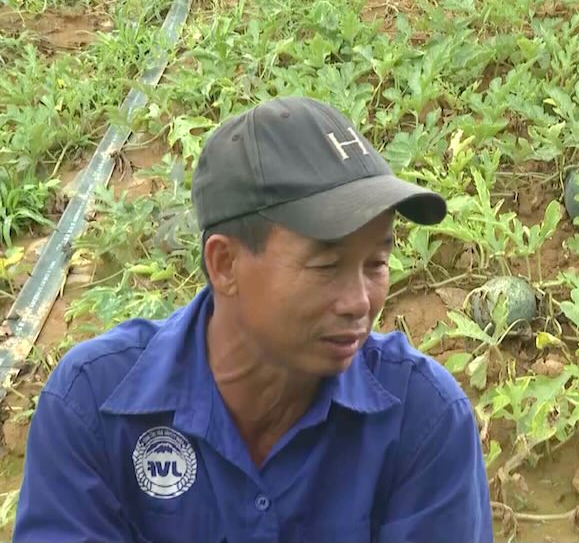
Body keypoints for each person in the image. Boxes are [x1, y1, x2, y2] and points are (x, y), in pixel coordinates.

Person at [12, 96, 495, 543]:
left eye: (376, 264)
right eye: (326, 266)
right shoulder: (94, 407)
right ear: (225, 265)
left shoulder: (423, 420)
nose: (359, 302)